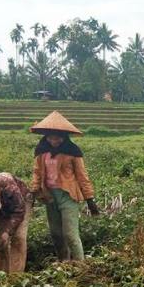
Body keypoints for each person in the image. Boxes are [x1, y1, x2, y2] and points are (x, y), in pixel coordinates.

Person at [29, 111, 100, 261]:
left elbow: (82, 176)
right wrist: (34, 191)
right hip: (49, 196)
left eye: (58, 138)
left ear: (64, 137)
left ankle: (81, 265)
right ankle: (64, 263)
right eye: (51, 138)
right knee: (56, 233)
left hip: (68, 196)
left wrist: (90, 199)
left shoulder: (72, 151)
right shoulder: (41, 151)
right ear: (46, 136)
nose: (55, 141)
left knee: (70, 234)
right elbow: (37, 173)